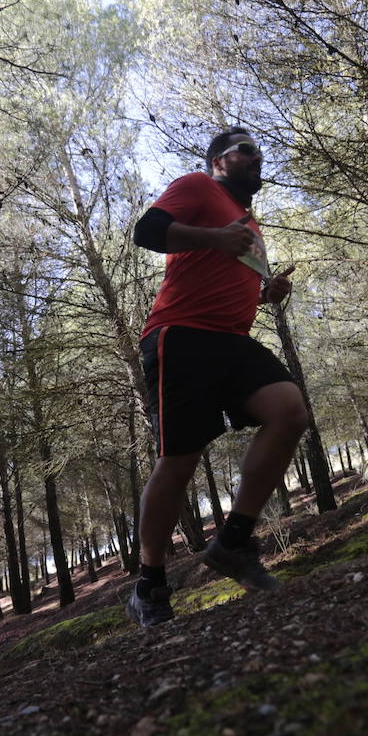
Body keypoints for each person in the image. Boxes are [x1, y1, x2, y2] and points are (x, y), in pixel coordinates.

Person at [125, 126, 309, 627]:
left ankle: (232, 544)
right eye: (247, 150)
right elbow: (147, 231)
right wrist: (216, 238)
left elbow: (226, 272)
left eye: (259, 153)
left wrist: (266, 290)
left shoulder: (249, 222)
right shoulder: (197, 186)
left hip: (231, 338)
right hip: (180, 335)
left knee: (289, 411)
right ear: (219, 160)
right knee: (179, 462)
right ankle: (150, 584)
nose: (258, 158)